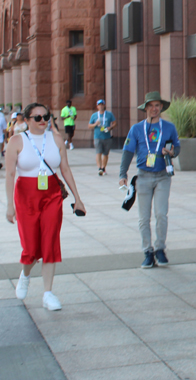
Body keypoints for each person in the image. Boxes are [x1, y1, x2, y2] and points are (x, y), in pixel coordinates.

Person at [5, 103, 86, 311]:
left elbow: (65, 169)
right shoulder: (16, 141)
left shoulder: (56, 139)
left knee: (50, 241)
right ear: (27, 119)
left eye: (46, 117)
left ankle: (48, 293)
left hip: (51, 196)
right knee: (31, 247)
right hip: (26, 197)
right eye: (37, 117)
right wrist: (10, 205)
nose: (43, 121)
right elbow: (10, 175)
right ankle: (25, 274)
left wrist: (77, 197)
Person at [119, 91, 180, 268]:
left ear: (161, 107)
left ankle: (160, 248)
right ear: (145, 108)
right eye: (151, 105)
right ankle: (147, 251)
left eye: (157, 106)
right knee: (143, 218)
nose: (154, 109)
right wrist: (123, 174)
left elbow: (177, 147)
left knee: (161, 214)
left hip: (162, 176)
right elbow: (128, 152)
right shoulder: (136, 129)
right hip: (143, 176)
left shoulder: (169, 127)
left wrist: (172, 152)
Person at [89, 99, 116, 175]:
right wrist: (95, 124)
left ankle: (104, 167)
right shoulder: (94, 115)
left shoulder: (109, 114)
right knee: (98, 152)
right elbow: (89, 125)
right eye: (99, 105)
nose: (101, 106)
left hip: (107, 137)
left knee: (106, 154)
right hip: (97, 136)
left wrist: (110, 128)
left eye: (102, 105)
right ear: (97, 106)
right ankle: (99, 168)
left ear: (104, 106)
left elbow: (114, 123)